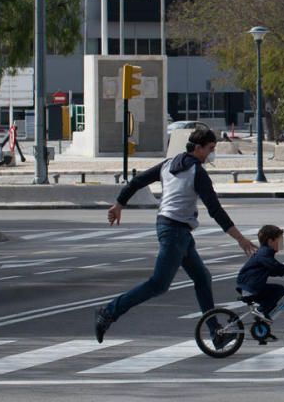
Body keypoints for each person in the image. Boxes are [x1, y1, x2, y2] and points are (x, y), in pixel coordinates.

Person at [94, 128, 256, 344]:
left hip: (176, 230)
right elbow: (215, 210)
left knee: (202, 278)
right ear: (198, 148)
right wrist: (240, 239)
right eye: (210, 149)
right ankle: (109, 312)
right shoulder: (197, 173)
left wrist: (119, 203)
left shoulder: (168, 164)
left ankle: (215, 333)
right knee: (158, 284)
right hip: (174, 231)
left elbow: (136, 181)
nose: (211, 154)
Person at [236, 225, 284, 324]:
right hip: (250, 287)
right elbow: (275, 266)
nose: (281, 242)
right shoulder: (264, 253)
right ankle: (260, 311)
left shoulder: (266, 252)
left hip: (252, 286)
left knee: (273, 299)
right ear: (270, 241)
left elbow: (273, 270)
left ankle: (263, 325)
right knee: (278, 290)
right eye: (279, 240)